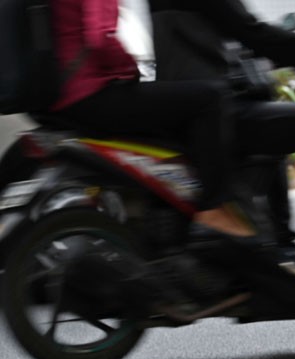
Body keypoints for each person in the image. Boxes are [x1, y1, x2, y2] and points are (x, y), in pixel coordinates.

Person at [147, 0, 295, 290]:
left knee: (275, 119)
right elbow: (256, 35)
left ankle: (282, 246)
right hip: (215, 111)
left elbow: (244, 39)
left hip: (196, 105)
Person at [49, 0, 254, 240]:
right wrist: (129, 70)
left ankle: (154, 216)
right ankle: (213, 207)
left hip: (61, 99)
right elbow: (100, 39)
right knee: (212, 98)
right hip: (91, 97)